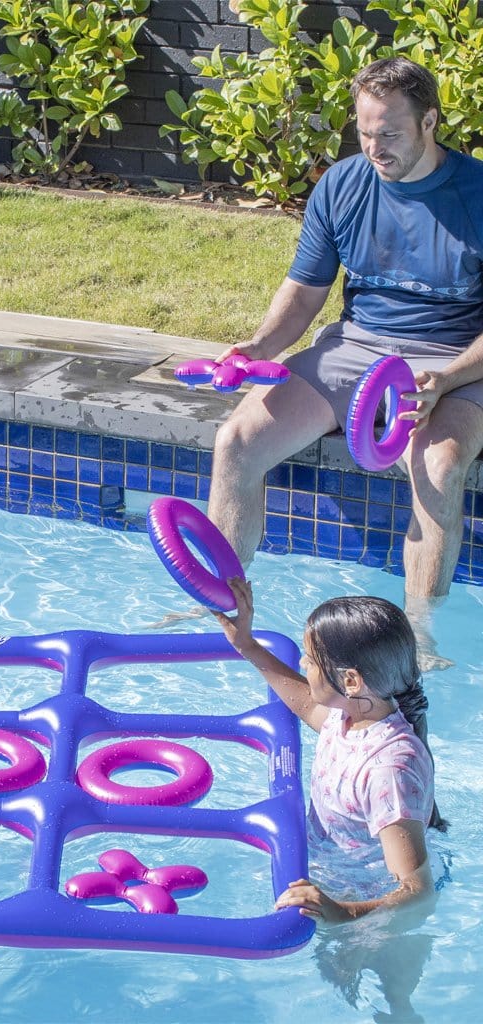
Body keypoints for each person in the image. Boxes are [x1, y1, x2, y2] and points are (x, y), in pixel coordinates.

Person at [207, 56, 483, 668]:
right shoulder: (343, 185)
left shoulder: (478, 194)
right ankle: (225, 608)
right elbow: (305, 292)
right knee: (236, 440)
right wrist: (258, 348)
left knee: (437, 465)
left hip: (458, 356)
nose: (374, 146)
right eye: (364, 131)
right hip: (357, 347)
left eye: (389, 133)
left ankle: (420, 635)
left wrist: (450, 378)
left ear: (430, 122)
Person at [216, 577, 443, 923]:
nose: (303, 664)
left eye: (310, 659)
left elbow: (416, 889)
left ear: (351, 681)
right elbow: (307, 705)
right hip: (335, 877)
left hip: (371, 906)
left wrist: (344, 912)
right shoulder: (350, 715)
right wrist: (246, 644)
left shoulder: (388, 771)